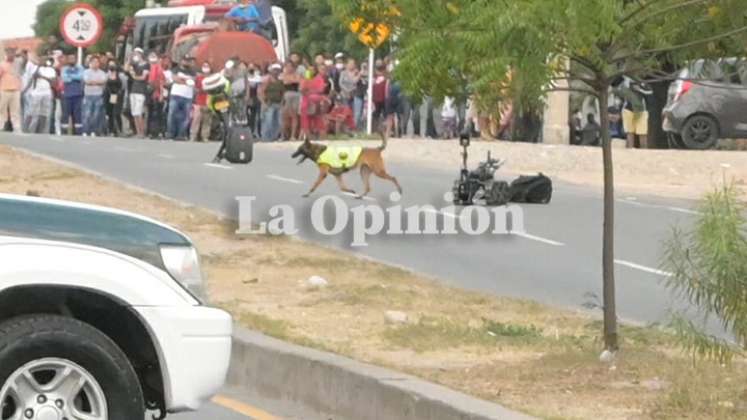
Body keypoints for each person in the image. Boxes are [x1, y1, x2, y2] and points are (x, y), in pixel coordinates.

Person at [614, 77, 652, 149]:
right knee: (629, 132)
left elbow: (650, 93)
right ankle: (630, 151)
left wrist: (640, 89)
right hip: (627, 110)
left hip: (641, 111)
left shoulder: (643, 82)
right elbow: (618, 92)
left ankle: (644, 152)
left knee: (642, 133)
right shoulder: (624, 81)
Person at [23, 56, 57, 134]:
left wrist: (42, 77)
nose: (45, 62)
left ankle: (42, 131)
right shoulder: (36, 68)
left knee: (44, 113)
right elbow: (33, 77)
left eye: (46, 60)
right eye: (43, 60)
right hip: (36, 93)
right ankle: (28, 129)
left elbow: (53, 81)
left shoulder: (51, 70)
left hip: (47, 93)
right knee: (32, 112)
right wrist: (38, 66)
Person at [167, 56, 196, 140]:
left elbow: (193, 81)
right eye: (184, 60)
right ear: (181, 61)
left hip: (187, 96)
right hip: (176, 94)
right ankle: (170, 133)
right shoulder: (176, 69)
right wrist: (186, 81)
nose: (186, 62)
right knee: (172, 114)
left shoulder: (192, 71)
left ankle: (181, 134)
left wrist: (182, 80)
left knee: (185, 117)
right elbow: (175, 79)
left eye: (188, 61)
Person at [299, 64, 327, 140]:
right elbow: (302, 89)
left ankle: (322, 138)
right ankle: (309, 138)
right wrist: (309, 92)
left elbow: (321, 90)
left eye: (313, 69)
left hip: (316, 101)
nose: (311, 71)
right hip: (306, 101)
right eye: (309, 70)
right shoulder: (306, 78)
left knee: (318, 119)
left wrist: (309, 91)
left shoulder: (319, 78)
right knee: (305, 121)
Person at [82, 55, 107, 136]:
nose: (95, 64)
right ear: (90, 63)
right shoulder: (86, 72)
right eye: (93, 62)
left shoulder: (102, 73)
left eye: (97, 62)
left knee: (96, 114)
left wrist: (93, 82)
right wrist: (96, 82)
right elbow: (87, 81)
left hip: (98, 95)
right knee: (87, 114)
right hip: (88, 95)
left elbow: (103, 81)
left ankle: (94, 131)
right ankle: (85, 131)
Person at [127, 48, 150, 138]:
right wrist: (129, 60)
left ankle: (142, 132)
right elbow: (126, 68)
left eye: (137, 54)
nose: (135, 55)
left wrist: (134, 76)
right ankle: (138, 132)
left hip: (141, 91)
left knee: (139, 112)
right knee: (134, 113)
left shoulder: (146, 65)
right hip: (133, 90)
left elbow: (143, 77)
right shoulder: (134, 64)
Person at [259, 63, 284, 141]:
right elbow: (261, 92)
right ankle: (266, 138)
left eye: (278, 70)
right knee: (268, 121)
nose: (276, 72)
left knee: (277, 122)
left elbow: (282, 93)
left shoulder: (280, 81)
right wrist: (263, 103)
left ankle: (273, 137)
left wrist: (282, 102)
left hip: (278, 103)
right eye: (274, 70)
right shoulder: (267, 80)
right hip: (269, 103)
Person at [60, 54, 85, 135]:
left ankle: (78, 132)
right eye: (70, 58)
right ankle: (64, 131)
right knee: (65, 114)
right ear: (67, 60)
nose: (72, 60)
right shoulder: (64, 68)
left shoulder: (80, 68)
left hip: (78, 95)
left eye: (73, 58)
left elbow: (81, 77)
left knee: (77, 114)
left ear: (76, 59)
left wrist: (70, 76)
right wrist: (74, 77)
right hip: (67, 95)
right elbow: (64, 79)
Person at [0, 48, 23, 132]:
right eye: (9, 53)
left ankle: (17, 128)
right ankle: (1, 127)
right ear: (6, 53)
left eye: (12, 53)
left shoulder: (18, 63)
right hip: (4, 89)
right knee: (2, 110)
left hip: (16, 90)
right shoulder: (2, 64)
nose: (11, 54)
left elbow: (28, 58)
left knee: (15, 110)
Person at [190, 62, 213, 142]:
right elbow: (195, 89)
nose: (206, 68)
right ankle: (193, 136)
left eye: (207, 66)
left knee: (207, 120)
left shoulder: (212, 79)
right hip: (199, 101)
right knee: (196, 119)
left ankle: (205, 136)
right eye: (204, 66)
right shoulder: (198, 78)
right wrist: (200, 90)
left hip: (208, 101)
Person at [147, 52, 167, 139]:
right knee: (151, 113)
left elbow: (161, 82)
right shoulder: (148, 67)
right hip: (149, 93)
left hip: (157, 93)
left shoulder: (159, 69)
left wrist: (161, 94)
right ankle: (151, 131)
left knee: (157, 113)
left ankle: (158, 132)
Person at [280, 61, 302, 140]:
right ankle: (283, 135)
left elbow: (299, 82)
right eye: (287, 66)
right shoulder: (282, 75)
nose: (289, 68)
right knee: (284, 116)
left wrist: (290, 80)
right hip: (286, 95)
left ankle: (293, 135)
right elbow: (284, 82)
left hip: (295, 95)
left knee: (294, 116)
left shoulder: (297, 75)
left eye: (291, 66)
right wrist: (292, 80)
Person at [104, 62, 125, 137]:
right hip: (109, 95)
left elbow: (123, 86)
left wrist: (119, 93)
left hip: (116, 95)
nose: (112, 67)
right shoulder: (107, 75)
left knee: (116, 113)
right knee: (110, 113)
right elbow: (105, 84)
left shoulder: (120, 75)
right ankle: (111, 130)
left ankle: (119, 129)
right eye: (110, 65)